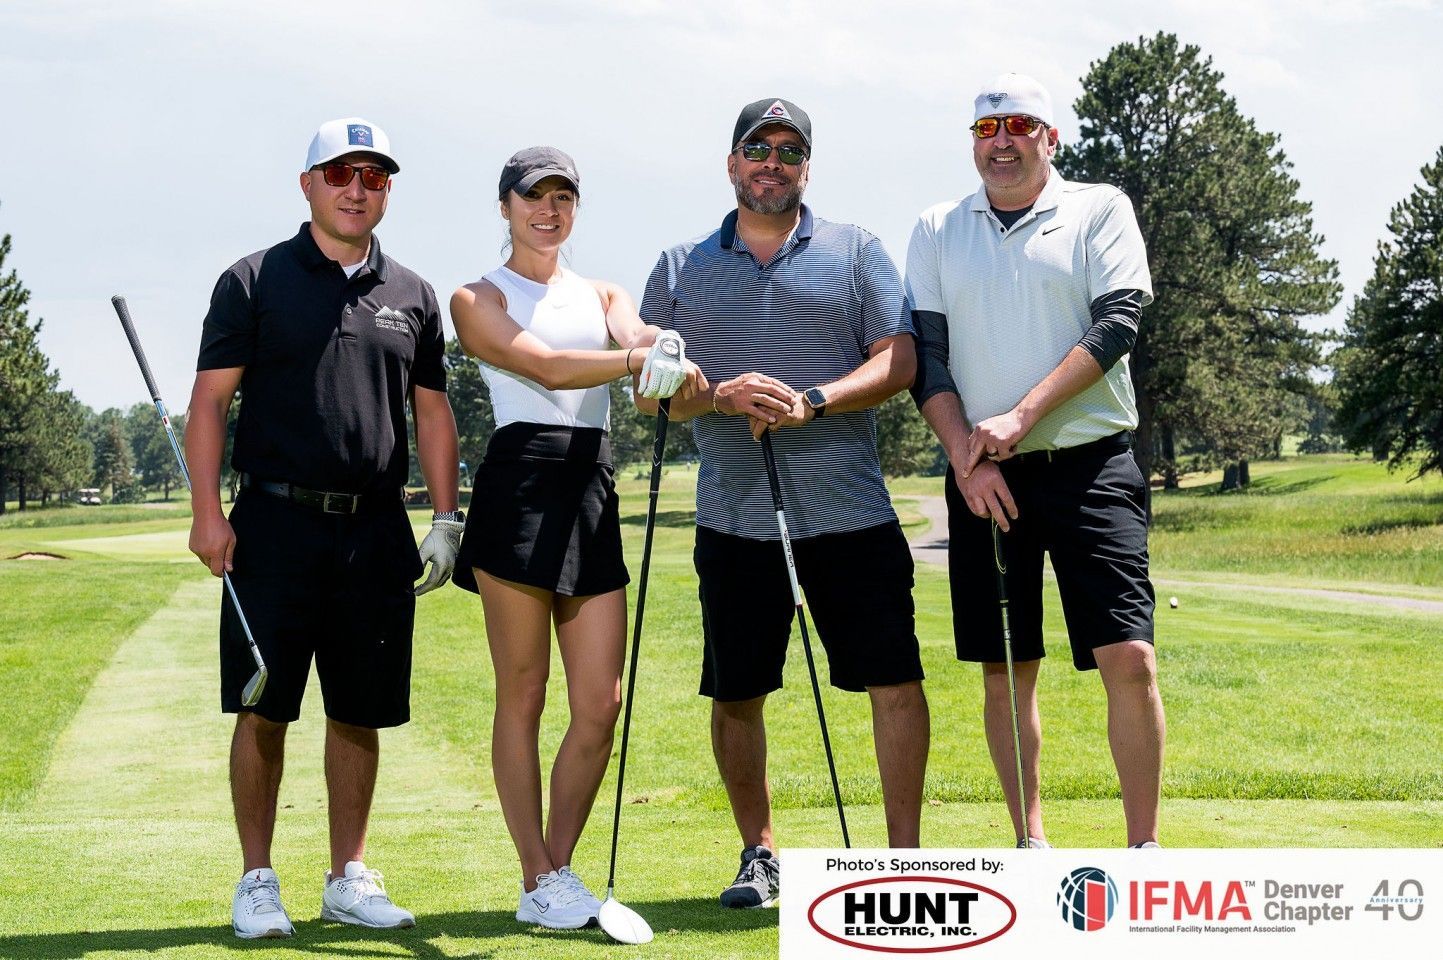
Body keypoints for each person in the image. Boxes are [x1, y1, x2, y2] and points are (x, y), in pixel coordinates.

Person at [638, 98, 931, 909]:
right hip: (734, 516)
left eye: (789, 150)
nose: (772, 162)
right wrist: (718, 396)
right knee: (737, 691)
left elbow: (899, 360)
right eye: (756, 148)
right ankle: (758, 855)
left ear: (807, 166)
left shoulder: (857, 251)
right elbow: (650, 396)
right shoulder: (678, 266)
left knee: (892, 682)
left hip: (849, 513)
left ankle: (901, 864)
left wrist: (813, 400)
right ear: (731, 163)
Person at [188, 117, 462, 938]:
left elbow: (433, 409)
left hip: (374, 530)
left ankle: (348, 875)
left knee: (360, 708)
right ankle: (257, 880)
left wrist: (447, 516)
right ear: (307, 184)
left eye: (374, 177)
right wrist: (208, 512)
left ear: (387, 191)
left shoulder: (411, 294)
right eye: (341, 174)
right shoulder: (253, 279)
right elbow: (209, 400)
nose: (357, 189)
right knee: (265, 705)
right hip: (273, 522)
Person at [448, 146, 706, 930]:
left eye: (563, 197)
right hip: (519, 483)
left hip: (590, 482)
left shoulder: (604, 294)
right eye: (534, 196)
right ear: (505, 206)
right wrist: (636, 356)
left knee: (601, 701)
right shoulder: (474, 297)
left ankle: (551, 875)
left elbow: (637, 342)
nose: (548, 211)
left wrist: (667, 358)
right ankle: (536, 869)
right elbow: (551, 368)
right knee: (522, 694)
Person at [905, 73, 1165, 848]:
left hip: (1090, 464)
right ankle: (1030, 843)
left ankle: (1144, 848)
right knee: (1006, 665)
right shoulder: (936, 226)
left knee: (1130, 656)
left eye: (1020, 126)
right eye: (987, 130)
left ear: (1050, 139)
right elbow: (927, 355)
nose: (1003, 142)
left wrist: (1023, 413)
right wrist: (965, 456)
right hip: (983, 475)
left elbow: (1118, 321)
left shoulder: (1098, 209)